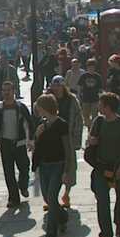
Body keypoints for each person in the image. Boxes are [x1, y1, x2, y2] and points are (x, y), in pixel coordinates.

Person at [86, 93, 120, 237]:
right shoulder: (98, 122)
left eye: (101, 104)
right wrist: (91, 140)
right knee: (102, 201)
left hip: (118, 167)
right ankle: (106, 234)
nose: (98, 107)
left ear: (107, 107)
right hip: (101, 168)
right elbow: (91, 139)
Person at [31, 94, 73, 237]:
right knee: (48, 198)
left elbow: (68, 148)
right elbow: (37, 146)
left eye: (39, 107)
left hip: (58, 164)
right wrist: (37, 135)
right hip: (44, 165)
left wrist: (67, 171)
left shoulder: (61, 124)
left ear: (45, 107)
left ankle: (51, 234)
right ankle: (62, 217)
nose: (37, 110)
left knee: (51, 196)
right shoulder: (42, 124)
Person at [0, 81, 33, 208]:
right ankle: (13, 198)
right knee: (8, 172)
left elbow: (28, 125)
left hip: (19, 143)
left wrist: (30, 140)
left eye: (9, 90)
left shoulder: (21, 107)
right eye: (4, 90)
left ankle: (23, 185)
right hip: (5, 143)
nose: (6, 93)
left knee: (24, 167)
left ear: (14, 91)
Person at [48, 76, 83, 209]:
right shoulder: (48, 99)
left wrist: (76, 139)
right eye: (54, 86)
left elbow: (78, 118)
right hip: (52, 138)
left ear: (63, 86)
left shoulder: (71, 99)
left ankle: (66, 194)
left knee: (69, 167)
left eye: (58, 86)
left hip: (67, 137)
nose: (56, 89)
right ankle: (52, 197)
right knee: (52, 168)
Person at [77, 58, 103, 129]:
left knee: (95, 115)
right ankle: (89, 127)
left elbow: (100, 89)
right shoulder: (83, 76)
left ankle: (94, 128)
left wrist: (101, 98)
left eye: (92, 67)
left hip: (95, 98)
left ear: (95, 68)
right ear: (87, 67)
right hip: (85, 98)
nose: (91, 69)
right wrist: (79, 96)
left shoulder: (98, 77)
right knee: (85, 115)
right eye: (89, 67)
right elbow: (79, 87)